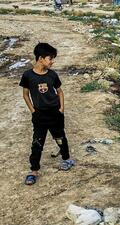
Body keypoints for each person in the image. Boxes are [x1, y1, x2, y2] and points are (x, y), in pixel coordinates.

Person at [19, 43, 74, 185]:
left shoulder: (52, 75)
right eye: (51, 58)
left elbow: (60, 91)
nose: (52, 61)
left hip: (55, 113)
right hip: (39, 116)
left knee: (60, 137)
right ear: (41, 58)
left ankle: (67, 159)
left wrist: (61, 108)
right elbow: (25, 95)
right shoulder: (28, 75)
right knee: (37, 143)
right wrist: (33, 111)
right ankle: (34, 171)